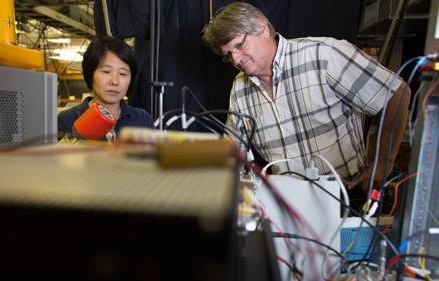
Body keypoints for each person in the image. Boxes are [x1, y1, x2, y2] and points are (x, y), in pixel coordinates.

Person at [202, 2, 411, 190]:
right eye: (228, 54)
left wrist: (383, 163)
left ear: (262, 28)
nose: (236, 59)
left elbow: (396, 93)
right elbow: (233, 153)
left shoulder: (324, 55)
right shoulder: (240, 88)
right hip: (288, 207)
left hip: (345, 199)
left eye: (239, 45)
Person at [58, 37, 154, 141]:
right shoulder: (65, 120)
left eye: (122, 73)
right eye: (106, 72)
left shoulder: (142, 120)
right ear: (90, 74)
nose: (114, 81)